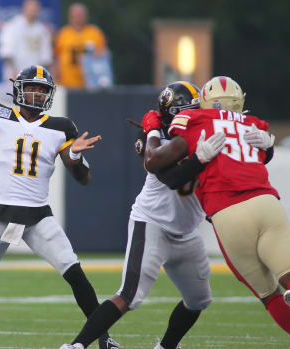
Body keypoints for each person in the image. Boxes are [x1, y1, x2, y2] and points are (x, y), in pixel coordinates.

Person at [143, 76, 290, 349]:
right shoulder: (253, 124)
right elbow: (261, 153)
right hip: (265, 203)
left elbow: (157, 163)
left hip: (226, 213)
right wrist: (269, 149)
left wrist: (152, 132)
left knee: (269, 295)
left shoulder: (193, 120)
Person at [0, 65, 118, 349]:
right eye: (32, 87)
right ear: (19, 89)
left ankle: (103, 336)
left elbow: (82, 178)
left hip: (37, 218)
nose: (36, 94)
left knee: (74, 272)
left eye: (42, 89)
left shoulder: (61, 127)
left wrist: (73, 155)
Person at [60, 82, 219, 349]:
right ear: (171, 115)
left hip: (186, 231)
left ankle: (166, 346)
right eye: (186, 112)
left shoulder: (203, 135)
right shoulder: (156, 138)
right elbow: (163, 171)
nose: (193, 116)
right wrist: (159, 133)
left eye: (195, 110)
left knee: (199, 300)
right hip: (153, 223)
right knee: (129, 295)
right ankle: (76, 346)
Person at [0, 0, 53, 92]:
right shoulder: (12, 25)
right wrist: (14, 72)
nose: (33, 11)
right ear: (24, 8)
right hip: (14, 78)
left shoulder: (42, 30)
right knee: (12, 104)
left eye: (35, 9)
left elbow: (46, 59)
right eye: (31, 8)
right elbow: (6, 53)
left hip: (35, 81)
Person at [54, 3, 107, 89]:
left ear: (86, 16)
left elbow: (103, 58)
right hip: (67, 84)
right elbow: (56, 59)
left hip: (90, 85)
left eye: (80, 15)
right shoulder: (63, 34)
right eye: (75, 15)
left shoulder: (95, 33)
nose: (77, 18)